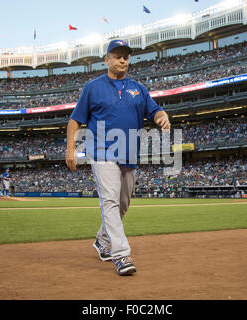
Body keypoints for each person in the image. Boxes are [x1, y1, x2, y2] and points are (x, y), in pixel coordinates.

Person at [65, 39, 170, 276]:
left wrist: (162, 117)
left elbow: (155, 110)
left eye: (126, 56)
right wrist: (71, 149)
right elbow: (75, 120)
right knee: (110, 201)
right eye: (117, 55)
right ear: (107, 60)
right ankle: (121, 255)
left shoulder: (138, 88)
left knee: (122, 204)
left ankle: (102, 241)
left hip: (129, 153)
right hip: (101, 151)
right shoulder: (93, 87)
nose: (123, 60)